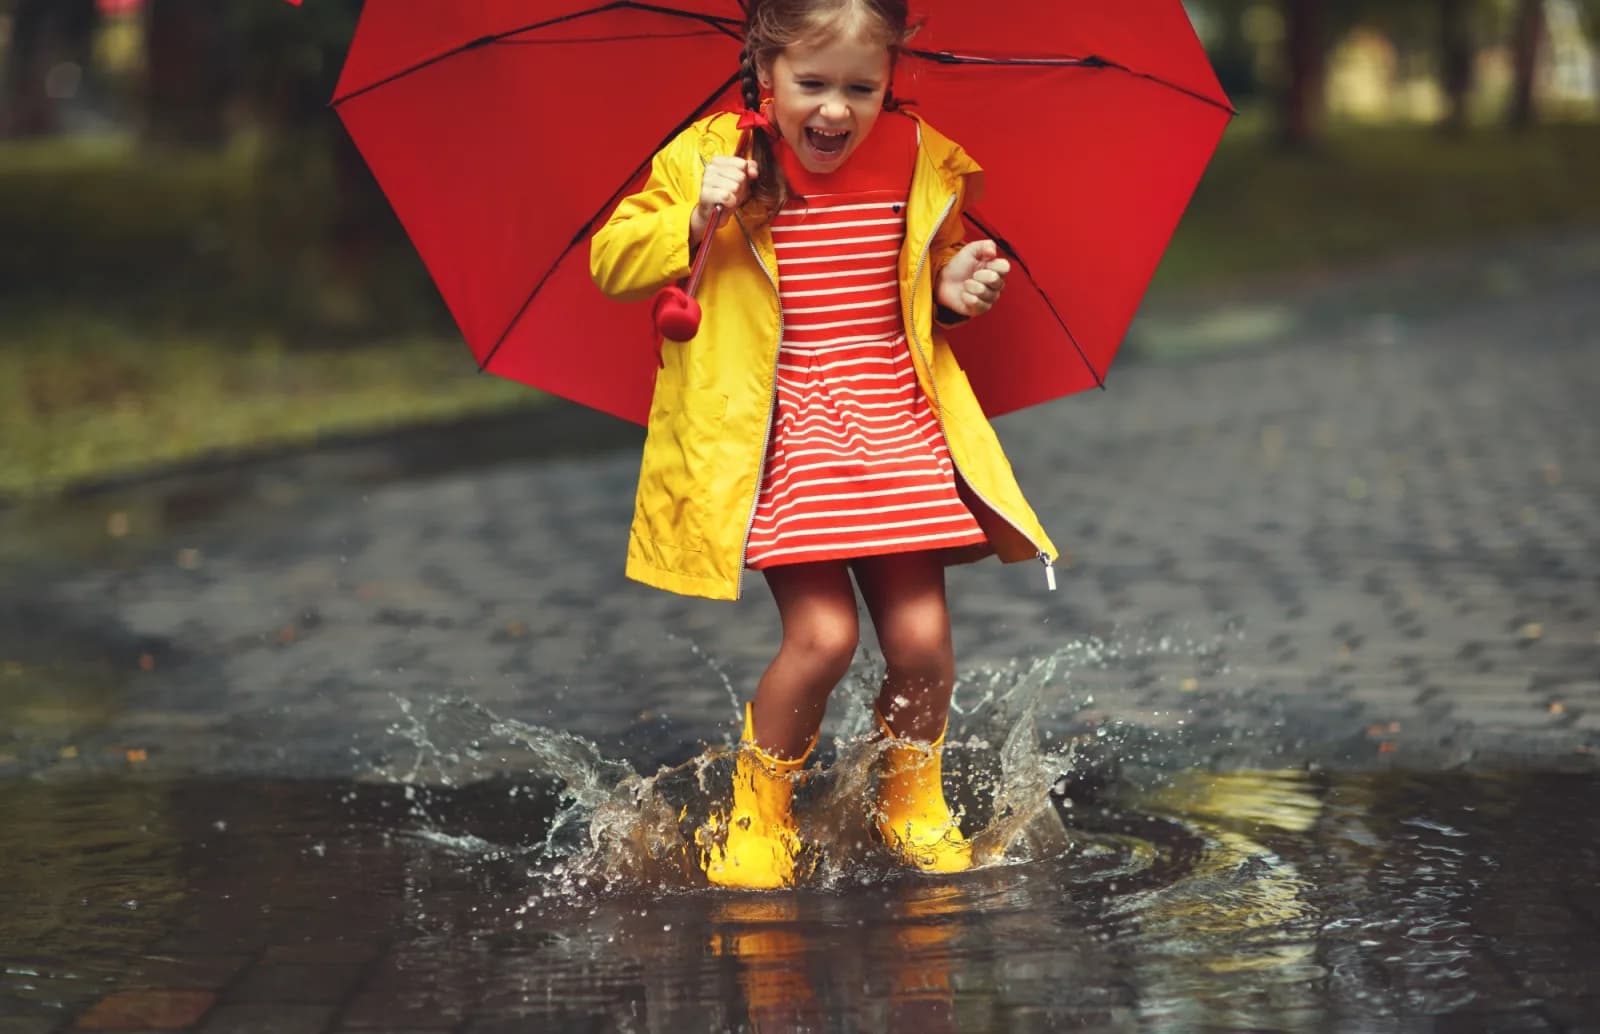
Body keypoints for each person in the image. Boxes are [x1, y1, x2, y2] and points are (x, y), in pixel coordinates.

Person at [590, 0, 1057, 890]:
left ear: (890, 81)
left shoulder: (919, 157)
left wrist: (952, 288)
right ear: (764, 74)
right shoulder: (712, 156)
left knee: (922, 641)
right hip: (786, 433)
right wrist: (692, 218)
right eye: (812, 84)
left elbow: (919, 280)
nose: (836, 110)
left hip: (893, 424)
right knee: (824, 637)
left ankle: (910, 797)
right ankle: (759, 813)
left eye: (861, 87)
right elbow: (610, 261)